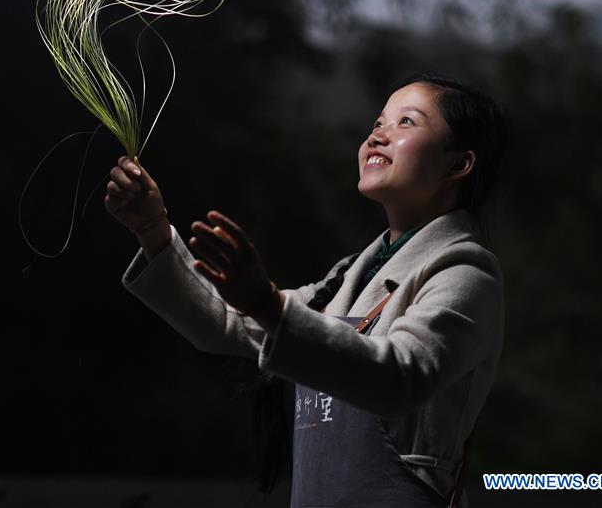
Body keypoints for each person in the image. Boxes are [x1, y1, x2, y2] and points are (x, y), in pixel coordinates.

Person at [105, 72, 508, 508]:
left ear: (458, 165)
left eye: (406, 123)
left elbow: (401, 377)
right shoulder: (349, 278)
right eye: (377, 123)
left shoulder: (467, 271)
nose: (378, 136)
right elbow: (222, 322)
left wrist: (268, 305)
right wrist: (153, 230)